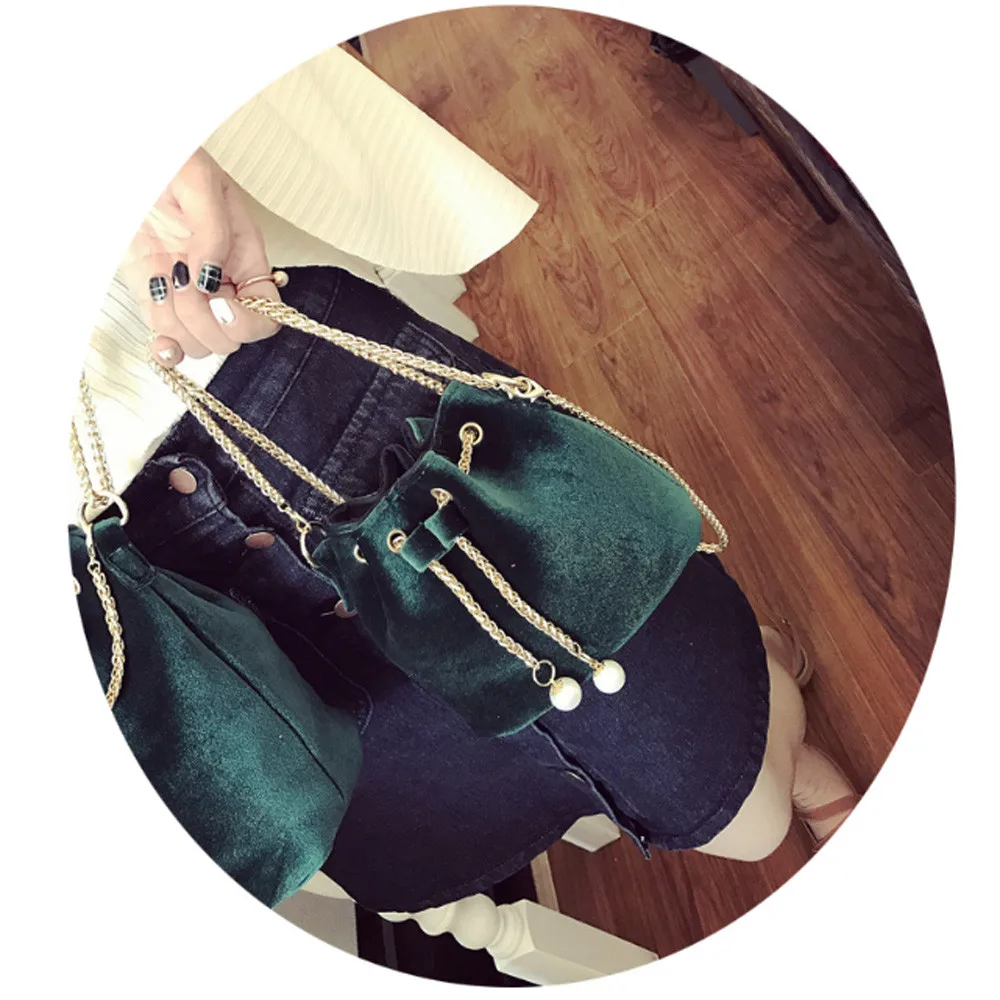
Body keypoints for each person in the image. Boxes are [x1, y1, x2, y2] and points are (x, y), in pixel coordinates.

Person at [80, 54, 858, 913]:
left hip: (269, 381)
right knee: (462, 803)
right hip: (126, 589)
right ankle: (756, 702)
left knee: (742, 817)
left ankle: (764, 696)